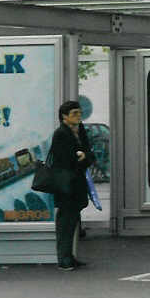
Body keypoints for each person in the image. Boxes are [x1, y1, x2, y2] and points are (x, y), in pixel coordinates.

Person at [50, 101, 96, 271]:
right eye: (75, 113)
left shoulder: (80, 130)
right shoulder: (60, 134)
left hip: (77, 183)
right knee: (65, 221)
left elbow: (90, 153)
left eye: (79, 112)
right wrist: (81, 158)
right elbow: (63, 160)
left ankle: (70, 256)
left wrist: (85, 157)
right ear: (64, 116)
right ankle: (64, 258)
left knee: (73, 220)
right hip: (66, 184)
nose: (78, 116)